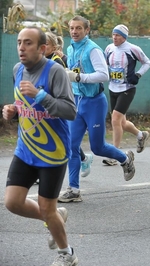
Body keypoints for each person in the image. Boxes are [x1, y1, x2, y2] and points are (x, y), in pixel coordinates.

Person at [2, 26, 78, 265]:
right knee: (12, 202)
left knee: (47, 208)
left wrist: (40, 94)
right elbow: (23, 104)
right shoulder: (17, 70)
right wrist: (12, 112)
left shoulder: (55, 72)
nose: (21, 48)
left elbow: (70, 111)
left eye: (28, 43)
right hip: (26, 148)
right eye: (19, 42)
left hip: (52, 152)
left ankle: (67, 255)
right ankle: (55, 216)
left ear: (42, 48)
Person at [58, 16, 135, 203]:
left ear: (87, 30)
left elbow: (103, 75)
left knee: (97, 147)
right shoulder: (70, 48)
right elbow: (72, 73)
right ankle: (74, 190)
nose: (74, 32)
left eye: (78, 28)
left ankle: (125, 158)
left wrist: (78, 78)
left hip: (94, 102)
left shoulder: (93, 49)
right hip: (77, 101)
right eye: (72, 28)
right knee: (71, 146)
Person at [45, 31, 94, 178]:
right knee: (52, 137)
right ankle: (84, 158)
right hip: (46, 104)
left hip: (60, 104)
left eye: (46, 44)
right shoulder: (40, 59)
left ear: (54, 47)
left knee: (62, 137)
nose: (41, 47)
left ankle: (83, 159)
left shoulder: (57, 61)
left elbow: (62, 85)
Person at [102, 25, 150, 166]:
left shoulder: (133, 49)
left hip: (127, 88)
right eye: (113, 35)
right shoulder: (109, 48)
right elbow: (106, 65)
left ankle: (114, 154)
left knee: (115, 119)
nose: (115, 37)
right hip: (113, 88)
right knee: (121, 123)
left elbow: (147, 62)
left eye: (118, 35)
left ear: (124, 37)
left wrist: (138, 74)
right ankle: (141, 135)